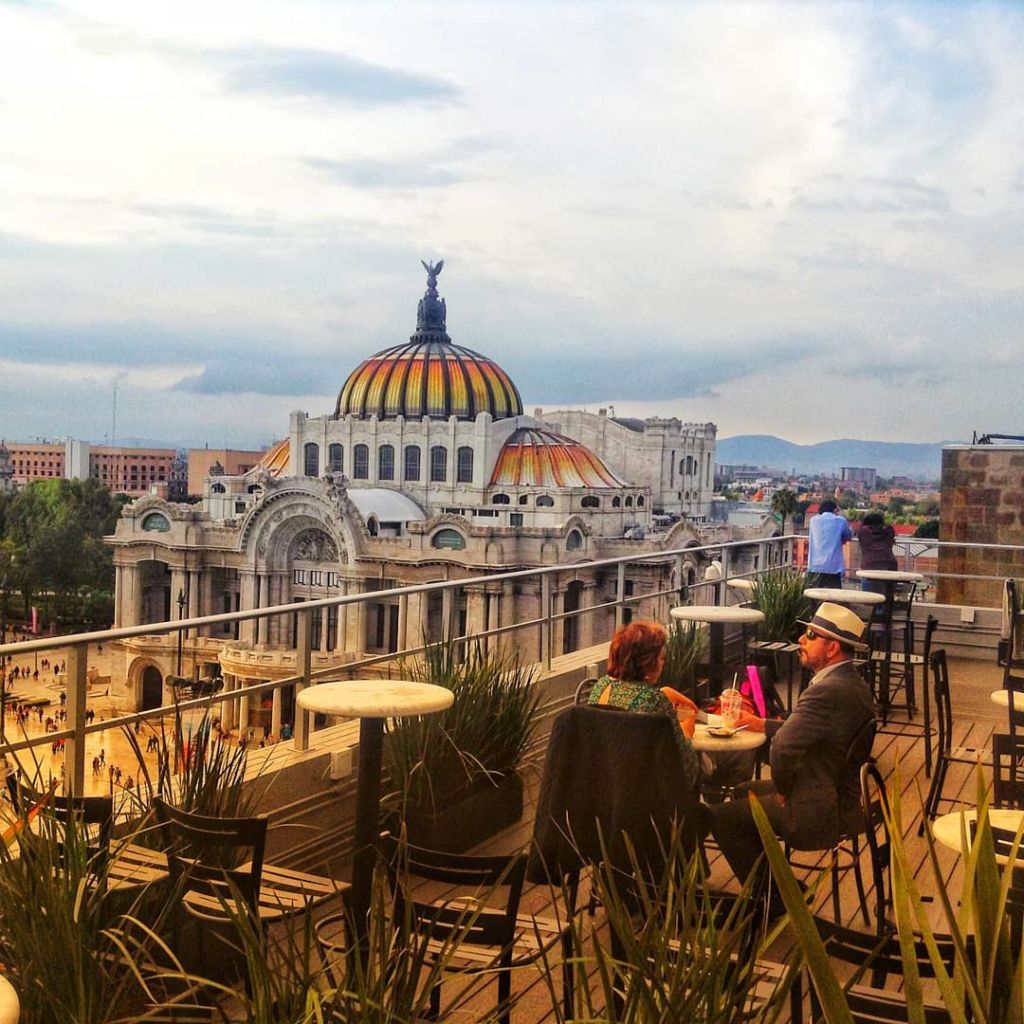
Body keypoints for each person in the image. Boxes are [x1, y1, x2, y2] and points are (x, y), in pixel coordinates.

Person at [708, 603, 876, 905]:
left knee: (720, 818)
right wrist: (761, 724)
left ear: (833, 648)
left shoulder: (826, 691)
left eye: (811, 635)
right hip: (838, 793)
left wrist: (784, 789)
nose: (801, 638)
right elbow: (813, 733)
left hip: (820, 807)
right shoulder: (851, 683)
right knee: (744, 792)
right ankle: (778, 887)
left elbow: (784, 748)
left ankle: (772, 901)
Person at [588, 620, 702, 797]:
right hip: (643, 803)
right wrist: (687, 731)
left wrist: (663, 693)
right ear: (649, 662)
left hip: (604, 795)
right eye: (661, 658)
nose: (663, 664)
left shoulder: (601, 687)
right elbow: (686, 771)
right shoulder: (654, 700)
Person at [806, 500, 853, 588]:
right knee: (834, 598)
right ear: (835, 510)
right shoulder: (840, 521)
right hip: (833, 568)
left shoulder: (813, 520)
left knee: (814, 596)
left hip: (815, 566)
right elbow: (848, 535)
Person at [855, 511, 897, 592]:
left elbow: (858, 528)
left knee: (868, 596)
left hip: (869, 565)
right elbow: (889, 527)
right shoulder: (889, 531)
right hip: (889, 565)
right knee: (888, 593)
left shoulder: (862, 532)